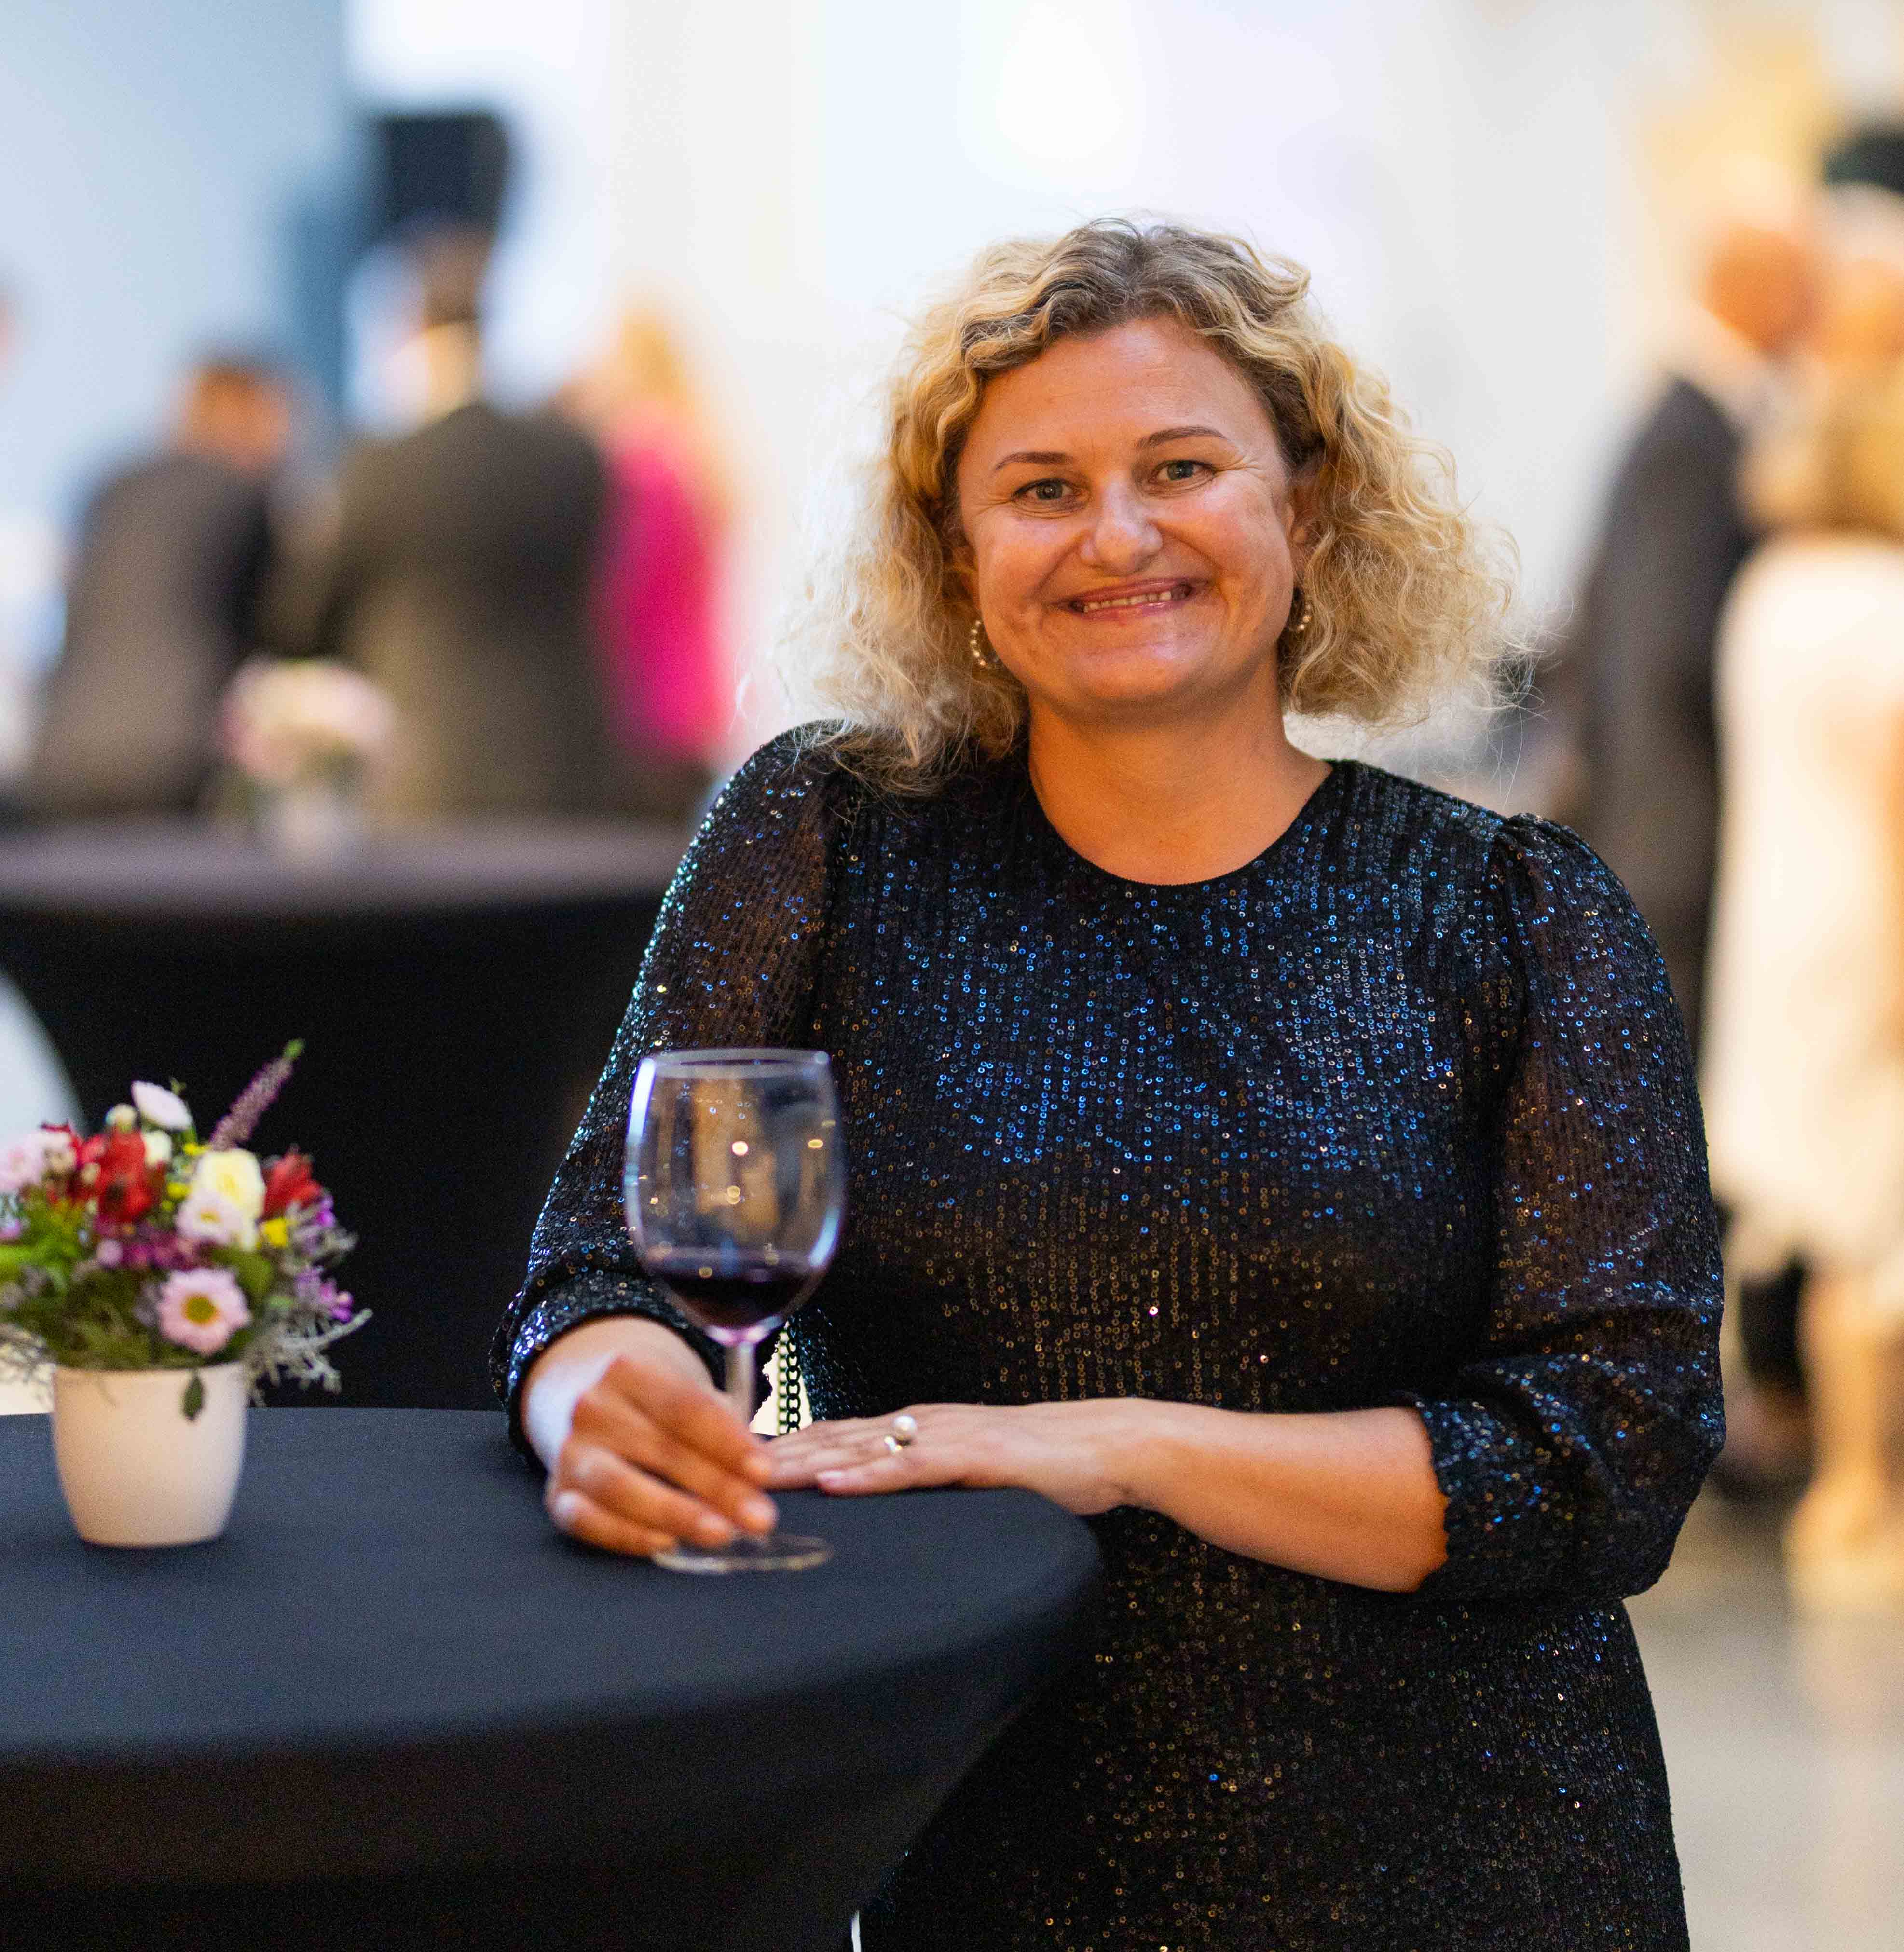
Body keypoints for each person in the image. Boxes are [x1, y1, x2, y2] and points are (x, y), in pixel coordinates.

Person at [497, 219, 1722, 1952]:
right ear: (957, 551)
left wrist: (1117, 1445)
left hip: (1458, 1860)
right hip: (981, 1835)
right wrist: (603, 1395)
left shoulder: (1515, 912)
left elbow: (1609, 1455)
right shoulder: (826, 839)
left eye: (1179, 468)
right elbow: (603, 1263)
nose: (1117, 535)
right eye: (1041, 488)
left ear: (1306, 508)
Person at [1702, 258, 1904, 1611]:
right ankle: (1858, 1491)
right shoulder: (1878, 603)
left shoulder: (1770, 588)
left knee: (1831, 1227)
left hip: (1779, 929)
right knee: (1874, 1235)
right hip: (1865, 940)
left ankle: (1844, 1485)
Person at [1566, 205, 1818, 1061]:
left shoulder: (1700, 421)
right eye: (1802, 286)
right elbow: (1665, 650)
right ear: (1760, 290)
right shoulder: (1690, 436)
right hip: (1671, 825)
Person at [271, 258, 620, 821]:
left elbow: (306, 616)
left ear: (412, 333)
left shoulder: (378, 467)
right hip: (563, 763)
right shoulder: (573, 458)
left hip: (424, 773)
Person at [24, 355, 292, 819]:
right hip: (177, 759)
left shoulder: (111, 489)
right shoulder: (245, 496)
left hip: (62, 752)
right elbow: (280, 632)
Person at [561, 306, 734, 798]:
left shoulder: (640, 460)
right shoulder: (694, 450)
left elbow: (621, 587)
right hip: (692, 697)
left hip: (647, 706)